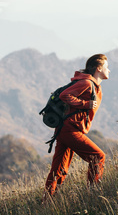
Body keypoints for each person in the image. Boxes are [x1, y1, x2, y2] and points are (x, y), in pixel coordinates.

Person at [44, 54, 110, 199]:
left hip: (65, 129)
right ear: (98, 68)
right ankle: (93, 194)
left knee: (59, 168)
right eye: (106, 67)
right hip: (69, 130)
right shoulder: (87, 83)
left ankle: (47, 201)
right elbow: (65, 95)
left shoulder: (92, 85)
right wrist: (85, 104)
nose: (109, 70)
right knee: (98, 157)